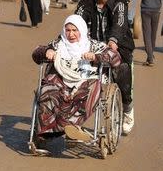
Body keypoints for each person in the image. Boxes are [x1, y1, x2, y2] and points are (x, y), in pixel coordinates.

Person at [32, 14, 121, 142]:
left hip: (85, 82)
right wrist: (46, 52)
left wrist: (96, 57)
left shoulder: (93, 45)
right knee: (46, 89)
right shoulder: (58, 44)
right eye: (68, 30)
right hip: (61, 82)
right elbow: (36, 53)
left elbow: (116, 58)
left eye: (75, 30)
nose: (71, 34)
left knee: (93, 88)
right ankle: (46, 134)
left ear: (82, 30)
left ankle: (71, 126)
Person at [75, 0, 135, 134]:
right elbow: (76, 21)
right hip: (93, 47)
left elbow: (120, 24)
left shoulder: (120, 1)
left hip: (119, 47)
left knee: (121, 72)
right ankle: (75, 118)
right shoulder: (86, 1)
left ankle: (128, 109)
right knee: (77, 75)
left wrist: (113, 40)